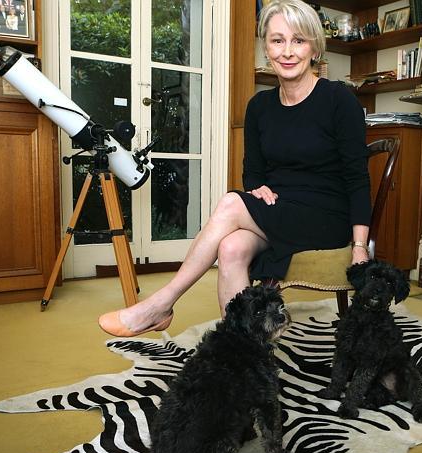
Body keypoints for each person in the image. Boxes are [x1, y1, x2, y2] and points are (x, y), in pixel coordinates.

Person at [99, 0, 371, 337]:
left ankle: (162, 302)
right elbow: (253, 171)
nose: (287, 51)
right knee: (230, 248)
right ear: (266, 47)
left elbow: (357, 177)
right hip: (279, 210)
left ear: (314, 47)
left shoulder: (338, 100)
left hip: (326, 216)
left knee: (230, 203)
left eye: (298, 40)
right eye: (277, 40)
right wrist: (258, 188)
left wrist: (360, 246)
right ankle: (246, 355)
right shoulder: (260, 107)